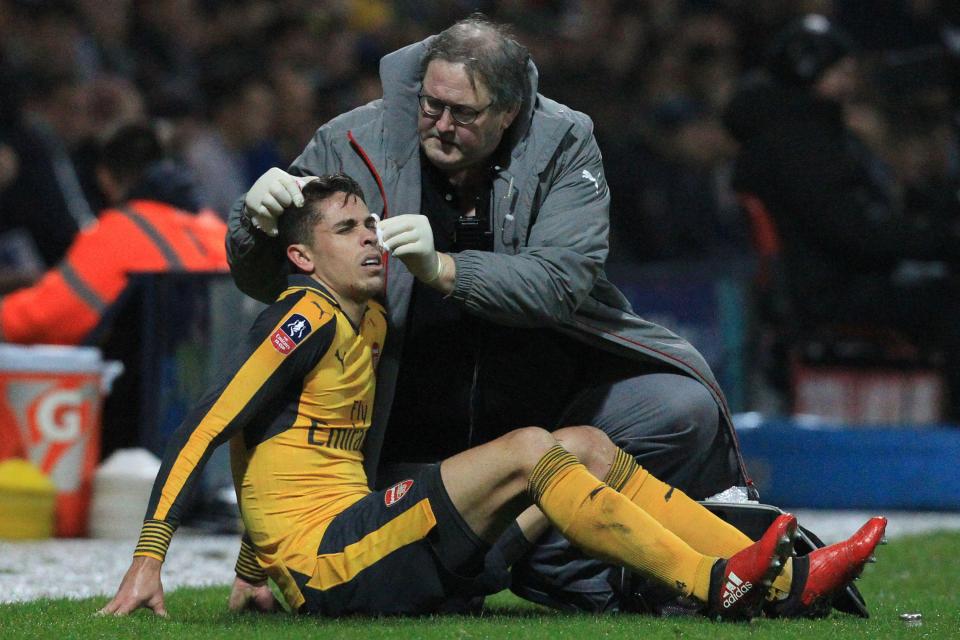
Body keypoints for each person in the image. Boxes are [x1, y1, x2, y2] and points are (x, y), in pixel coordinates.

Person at [101, 174, 887, 620]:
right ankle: (717, 585)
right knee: (527, 448)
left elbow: (276, 444)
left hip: (363, 552)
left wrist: (252, 564)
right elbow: (209, 426)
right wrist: (149, 562)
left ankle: (784, 582)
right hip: (338, 563)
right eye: (347, 230)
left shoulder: (365, 319)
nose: (373, 238)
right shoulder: (303, 315)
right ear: (302, 256)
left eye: (371, 223)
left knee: (583, 445)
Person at [226, 13, 750, 612]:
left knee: (679, 408)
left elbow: (560, 281)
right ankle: (525, 558)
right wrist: (252, 225)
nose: (441, 126)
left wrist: (445, 269)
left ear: (508, 112)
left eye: (464, 115)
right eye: (431, 105)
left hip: (542, 410)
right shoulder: (350, 140)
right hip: (391, 445)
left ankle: (555, 557)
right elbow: (271, 285)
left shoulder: (565, 142)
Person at [723, 14, 960, 418]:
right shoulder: (799, 143)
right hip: (831, 292)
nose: (852, 81)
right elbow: (858, 236)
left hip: (833, 281)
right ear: (812, 72)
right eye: (843, 71)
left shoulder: (802, 131)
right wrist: (944, 239)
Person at [0, 123, 228, 345]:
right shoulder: (215, 229)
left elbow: (39, 319)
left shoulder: (124, 228)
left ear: (104, 177)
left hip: (151, 382)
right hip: (227, 379)